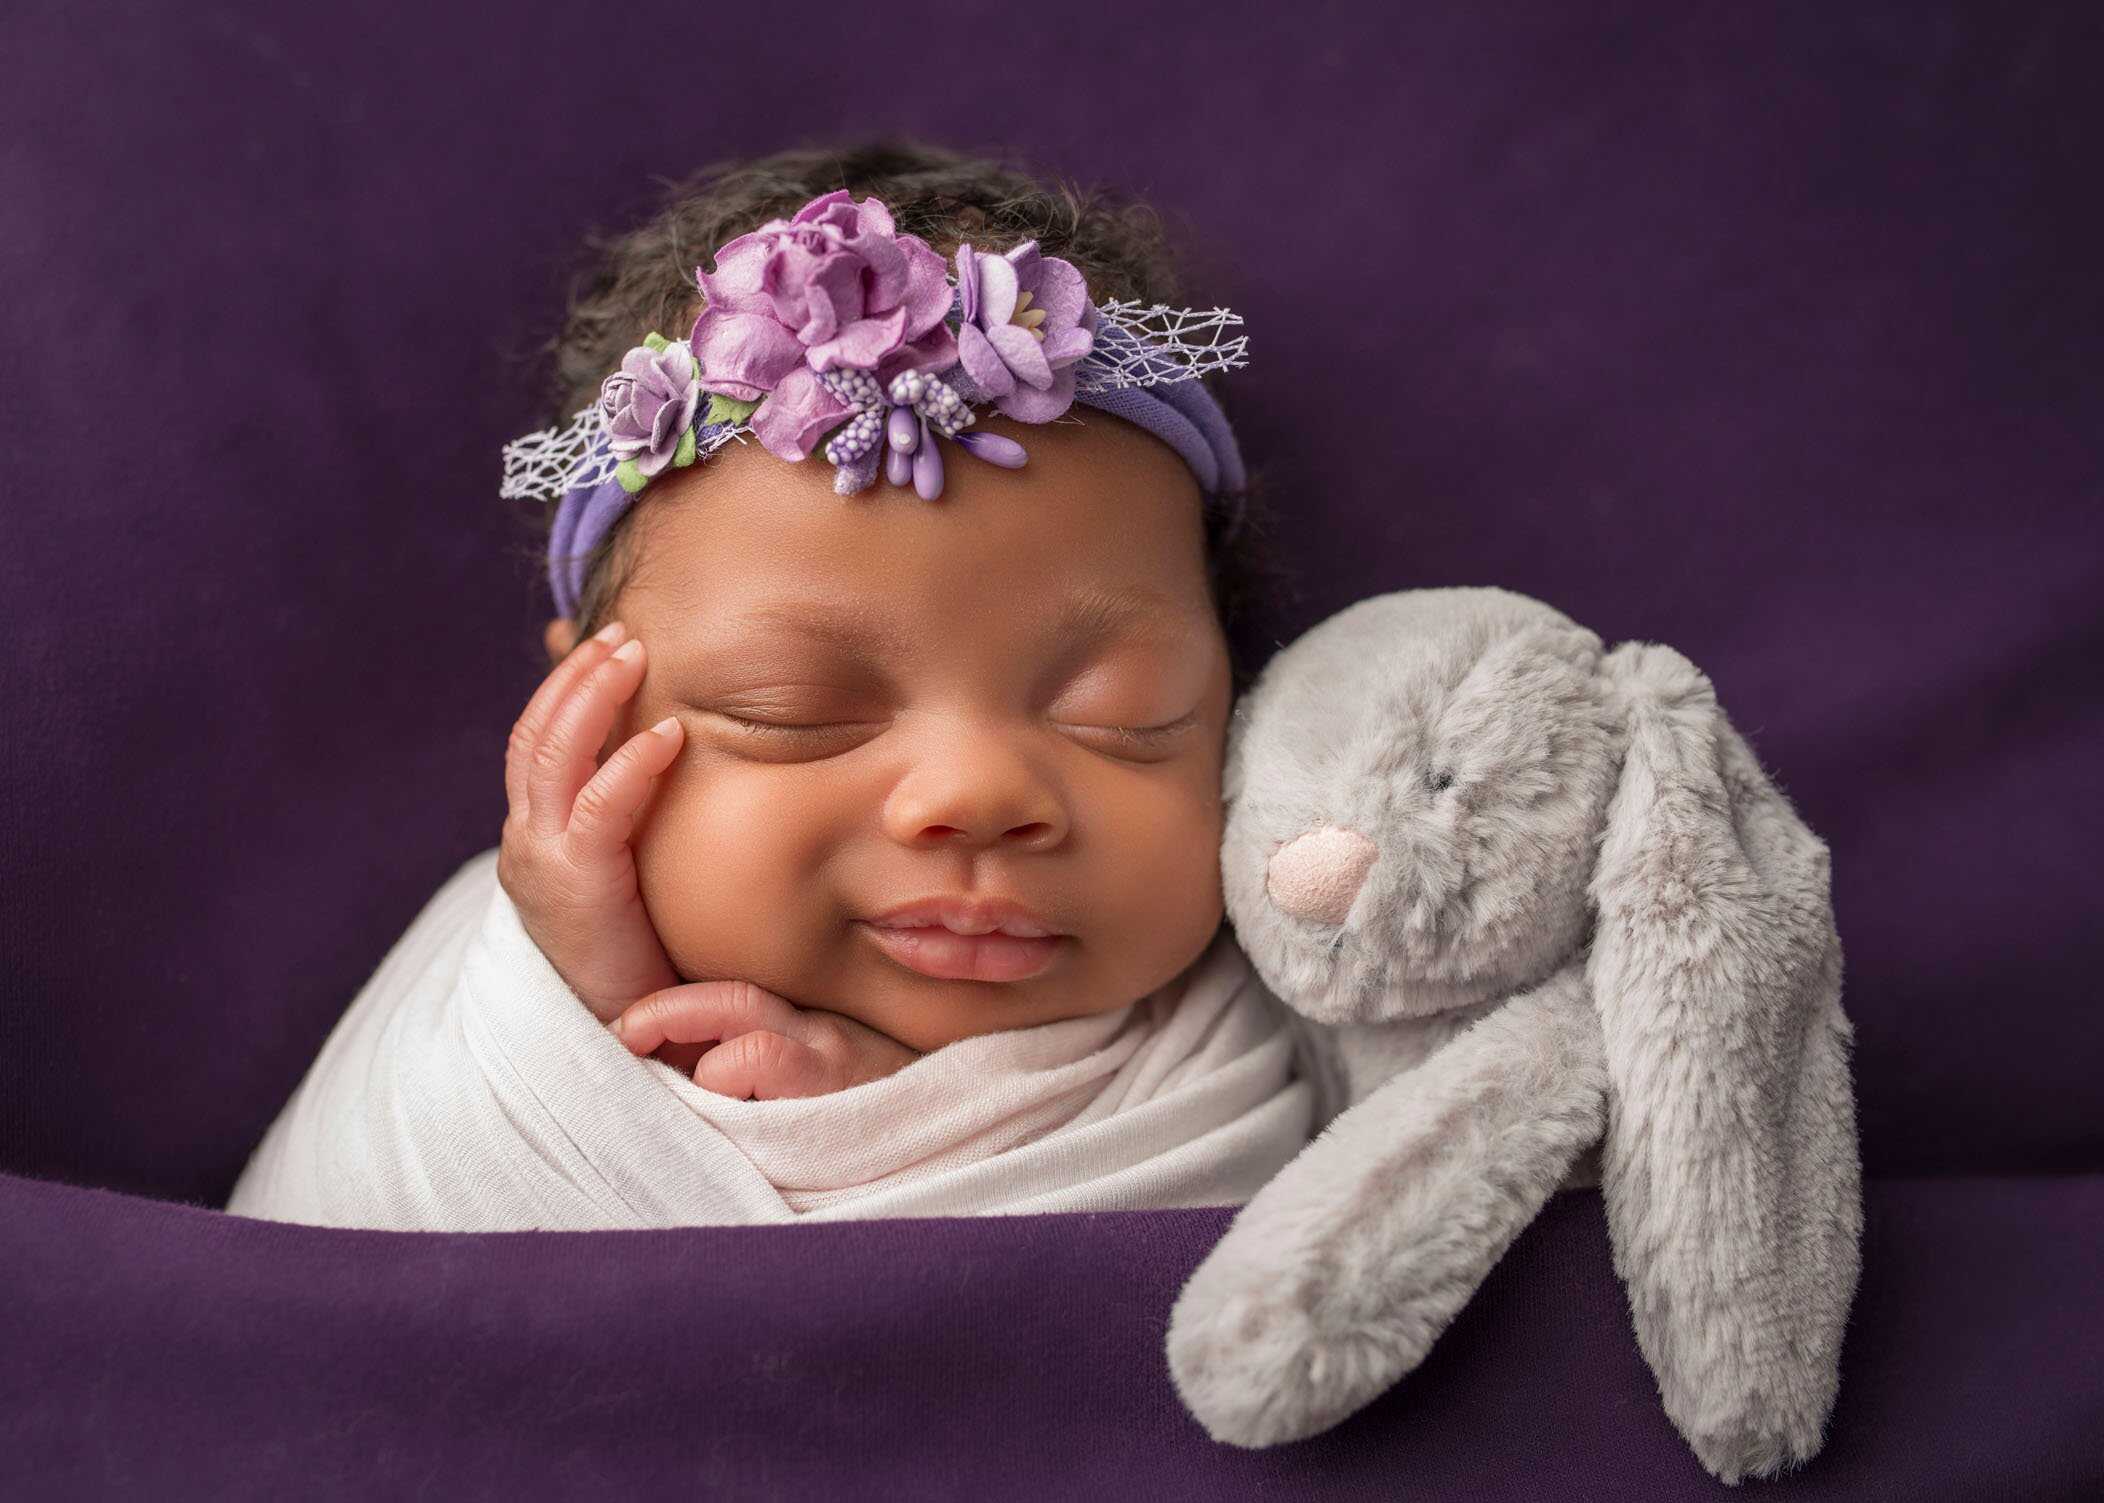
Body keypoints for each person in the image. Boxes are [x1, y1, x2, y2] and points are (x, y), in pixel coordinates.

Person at [224, 137, 1317, 1231]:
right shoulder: (481, 1031)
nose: (974, 794)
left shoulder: (1278, 1032)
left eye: (1124, 715)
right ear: (587, 735)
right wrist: (614, 1008)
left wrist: (875, 1118)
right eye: (788, 711)